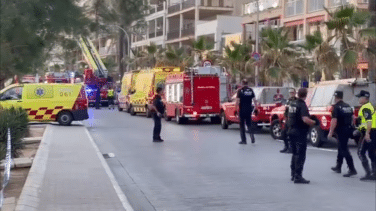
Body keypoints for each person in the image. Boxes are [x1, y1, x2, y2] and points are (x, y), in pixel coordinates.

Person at [287, 88, 316, 184]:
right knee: (301, 155)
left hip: (291, 130)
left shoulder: (292, 103)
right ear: (306, 95)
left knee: (294, 154)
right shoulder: (302, 105)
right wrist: (314, 122)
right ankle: (298, 176)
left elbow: (288, 116)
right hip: (300, 132)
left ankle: (293, 174)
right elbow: (305, 119)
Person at [328, 91, 357, 177]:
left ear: (336, 97)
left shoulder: (336, 107)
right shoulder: (347, 106)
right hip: (348, 129)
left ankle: (352, 169)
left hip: (341, 130)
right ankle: (338, 166)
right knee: (341, 147)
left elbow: (334, 121)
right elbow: (353, 118)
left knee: (344, 149)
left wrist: (330, 132)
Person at [355, 90, 376, 181]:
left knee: (361, 152)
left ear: (365, 98)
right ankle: (374, 173)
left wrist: (367, 134)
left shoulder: (365, 108)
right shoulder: (370, 106)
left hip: (369, 132)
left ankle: (368, 173)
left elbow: (369, 121)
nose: (359, 99)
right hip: (373, 132)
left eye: (360, 97)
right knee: (371, 153)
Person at [236, 79, 258, 144]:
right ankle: (251, 135)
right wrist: (256, 108)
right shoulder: (251, 90)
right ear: (247, 84)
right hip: (249, 110)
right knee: (249, 124)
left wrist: (236, 109)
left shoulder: (240, 91)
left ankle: (244, 140)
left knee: (242, 125)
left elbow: (237, 101)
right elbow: (254, 100)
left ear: (242, 84)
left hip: (242, 110)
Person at [280, 88, 296, 153]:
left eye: (292, 92)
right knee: (283, 133)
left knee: (291, 134)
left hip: (294, 120)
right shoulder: (288, 100)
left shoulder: (296, 101)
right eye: (290, 93)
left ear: (295, 93)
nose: (291, 94)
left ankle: (291, 148)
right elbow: (286, 111)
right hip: (288, 119)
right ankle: (286, 146)